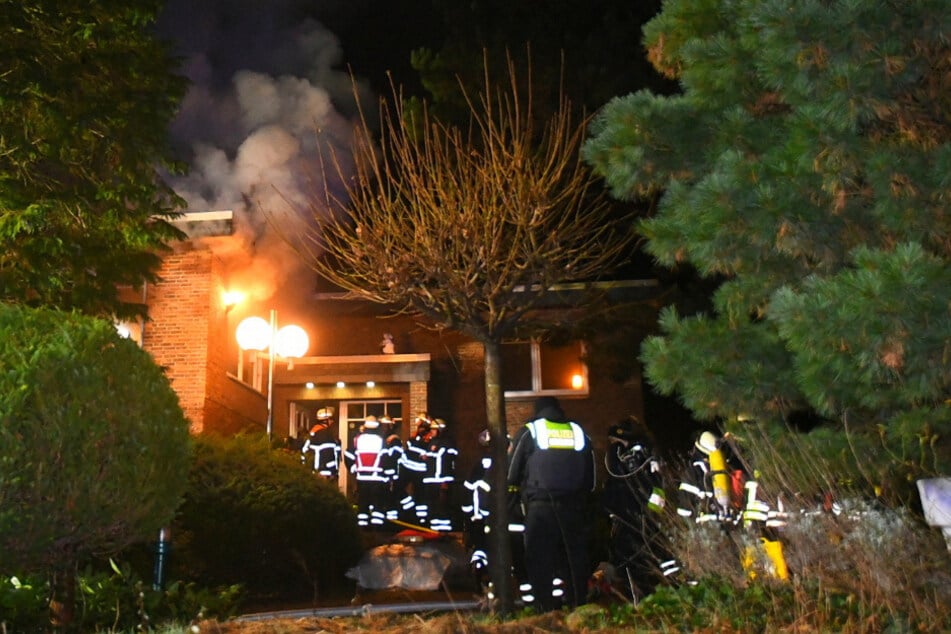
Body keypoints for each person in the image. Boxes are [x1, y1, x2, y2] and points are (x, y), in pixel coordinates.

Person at [507, 396, 596, 612]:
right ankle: (578, 608)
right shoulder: (578, 431)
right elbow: (591, 478)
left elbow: (511, 472)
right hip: (573, 508)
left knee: (540, 559)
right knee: (573, 559)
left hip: (540, 508)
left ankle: (544, 610)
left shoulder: (531, 431)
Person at [602, 416, 672, 598]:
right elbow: (613, 486)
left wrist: (652, 514)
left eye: (616, 441)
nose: (614, 445)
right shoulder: (621, 460)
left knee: (640, 559)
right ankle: (638, 596)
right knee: (626, 560)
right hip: (625, 516)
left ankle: (648, 596)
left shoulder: (644, 457)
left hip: (639, 518)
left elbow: (658, 487)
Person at [345, 415, 389, 529]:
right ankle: (377, 526)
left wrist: (353, 468)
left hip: (362, 476)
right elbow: (386, 458)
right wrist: (386, 473)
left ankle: (362, 525)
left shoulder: (357, 440)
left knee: (363, 501)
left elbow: (348, 455)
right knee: (377, 502)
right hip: (377, 477)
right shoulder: (381, 440)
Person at [420, 418, 459, 532]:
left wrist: (444, 482)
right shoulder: (431, 442)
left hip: (441, 479)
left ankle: (443, 529)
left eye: (434, 429)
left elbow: (446, 461)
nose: (431, 431)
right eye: (431, 429)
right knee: (432, 505)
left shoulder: (447, 443)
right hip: (430, 479)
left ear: (440, 430)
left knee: (442, 506)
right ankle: (433, 527)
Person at [301, 407, 341, 481]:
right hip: (325, 472)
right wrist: (334, 471)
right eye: (330, 419)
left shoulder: (313, 432)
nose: (332, 421)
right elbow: (330, 454)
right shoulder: (325, 434)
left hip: (314, 470)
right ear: (326, 420)